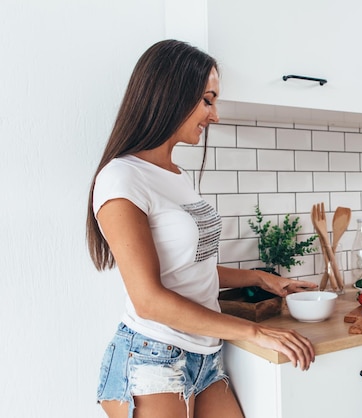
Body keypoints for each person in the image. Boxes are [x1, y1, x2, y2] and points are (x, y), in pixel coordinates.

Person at [86, 39, 317, 418]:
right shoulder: (121, 178)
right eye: (208, 100)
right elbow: (148, 299)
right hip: (152, 358)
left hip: (206, 358)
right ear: (171, 94)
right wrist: (253, 331)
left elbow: (188, 269)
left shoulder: (177, 176)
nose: (215, 115)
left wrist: (261, 279)